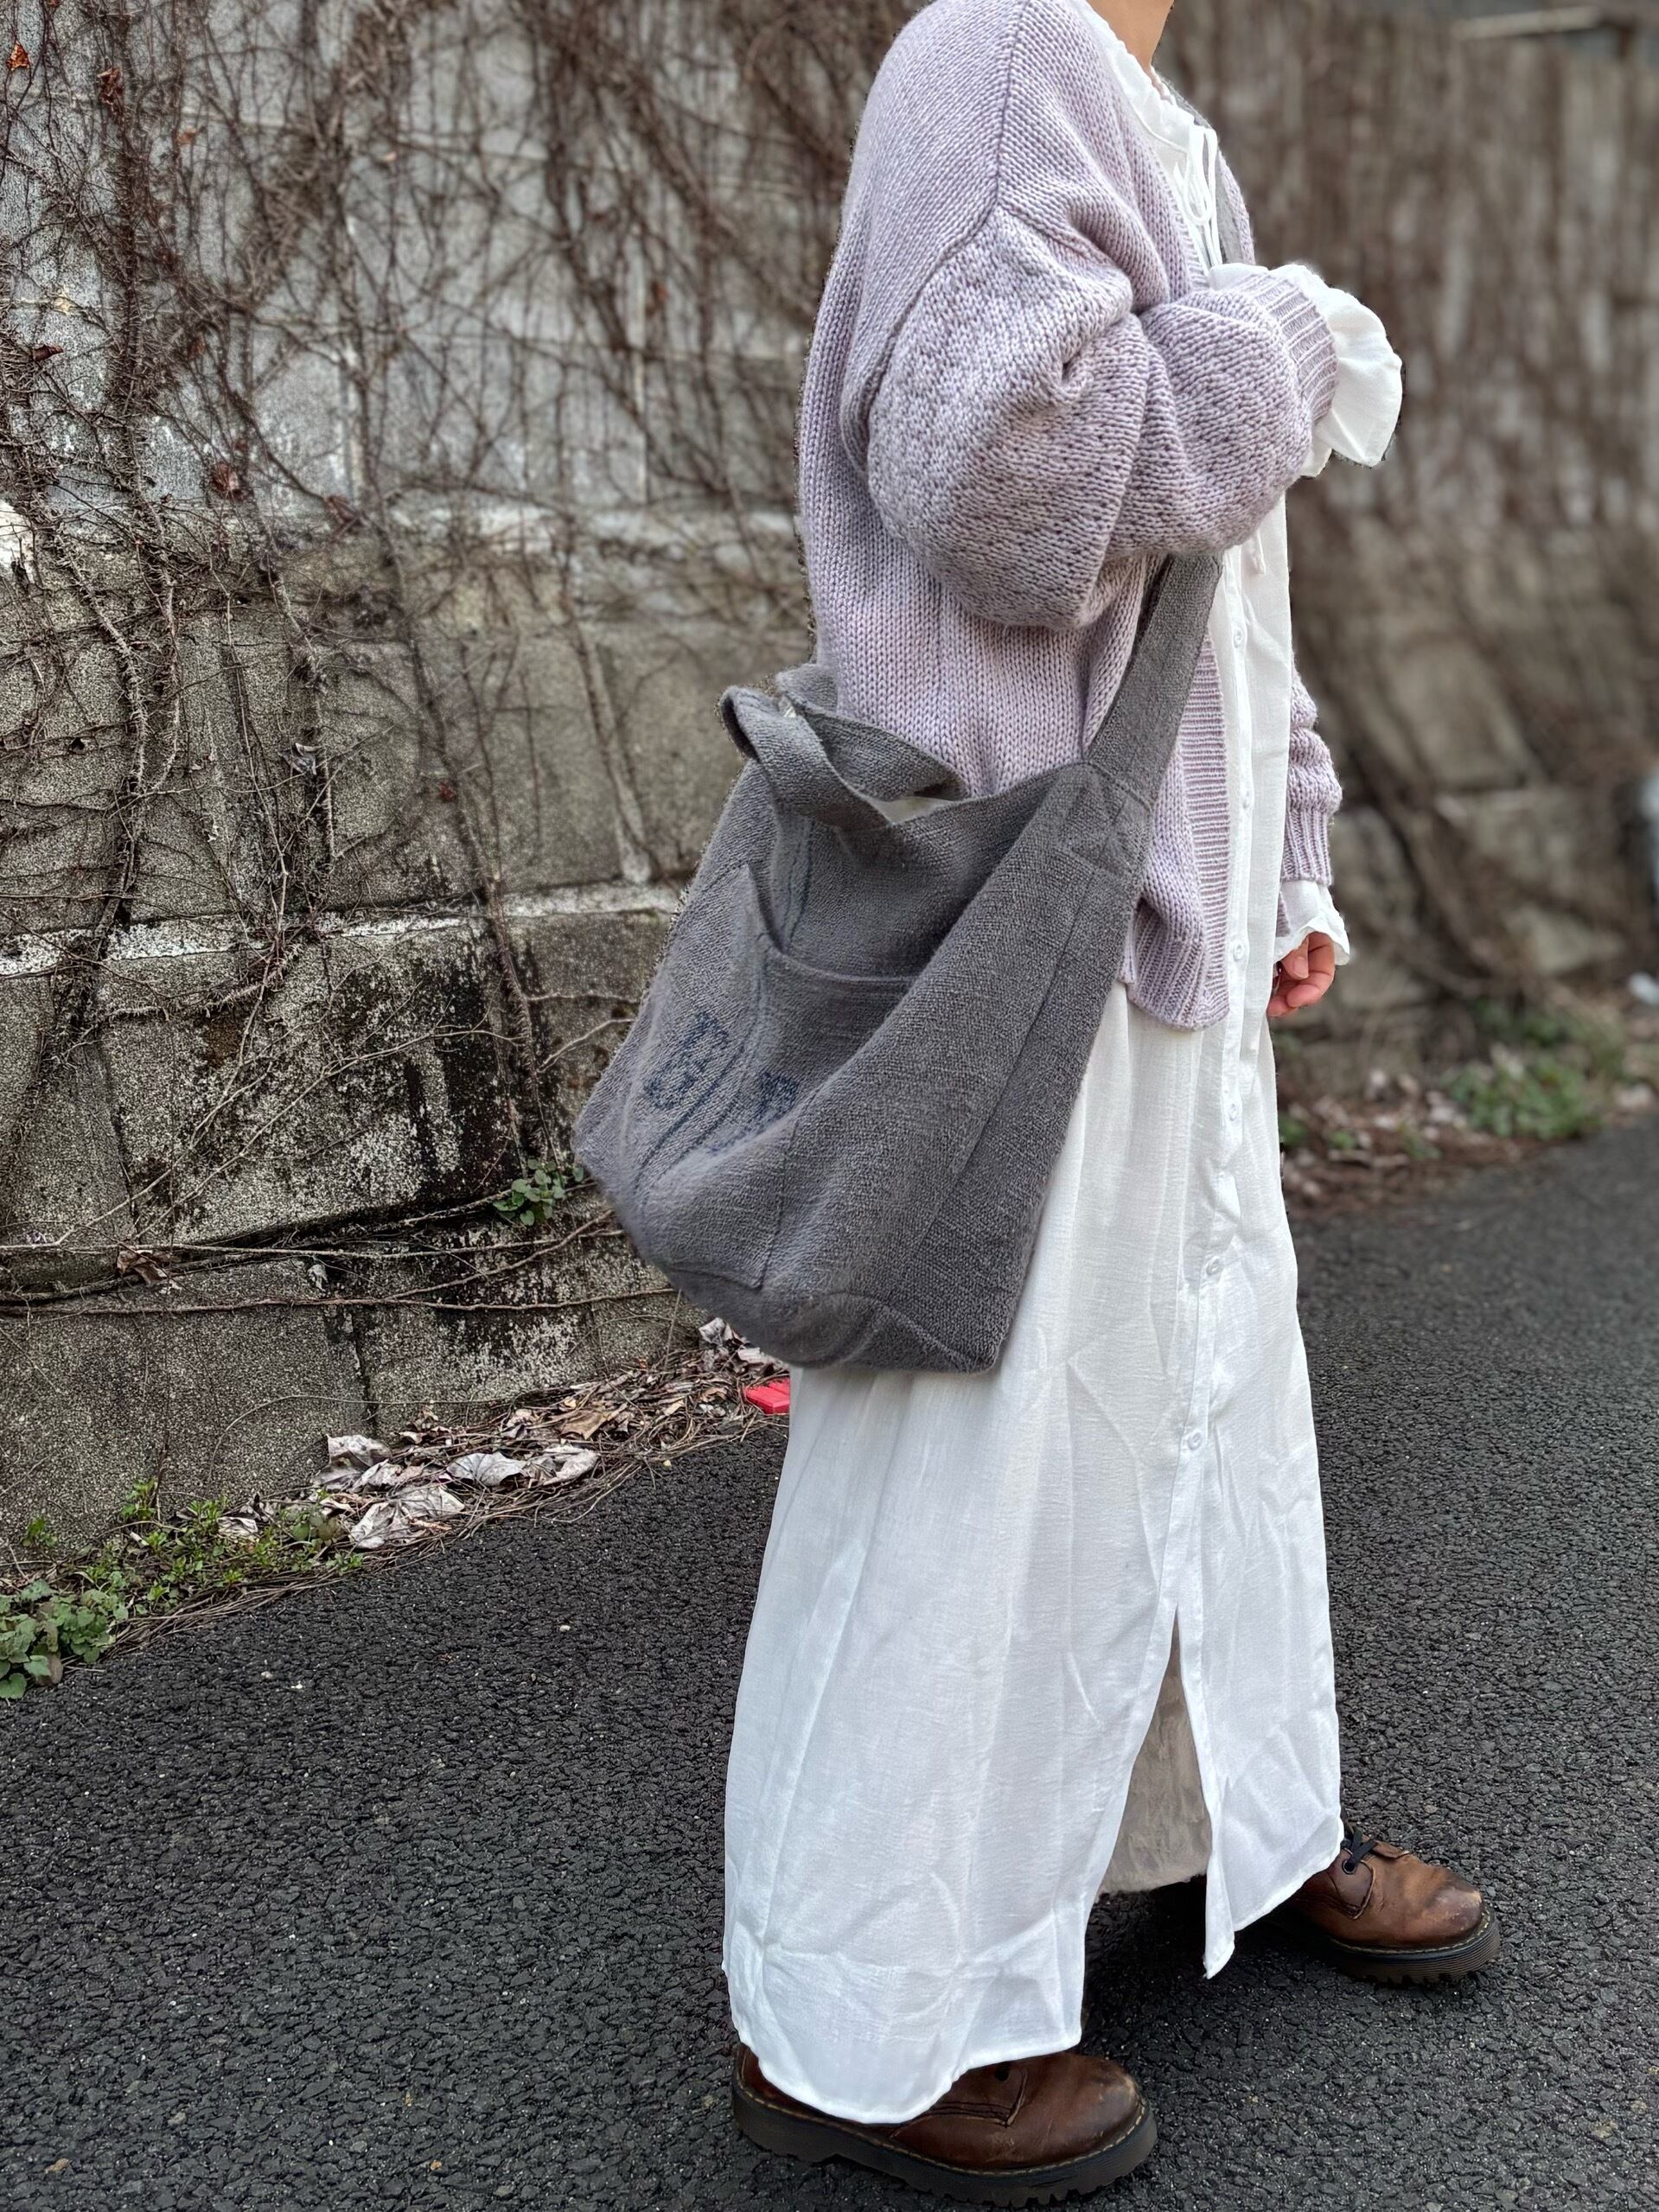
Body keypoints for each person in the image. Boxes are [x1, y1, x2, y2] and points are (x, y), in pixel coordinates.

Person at [721, 0, 1499, 2197]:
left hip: (1153, 907)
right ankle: (859, 2008)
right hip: (1029, 914)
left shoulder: (1152, 113)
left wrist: (1292, 846)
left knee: (1192, 1396)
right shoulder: (994, 54)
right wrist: (1280, 338)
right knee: (972, 1451)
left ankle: (1216, 1820)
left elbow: (1224, 599)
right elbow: (1011, 488)